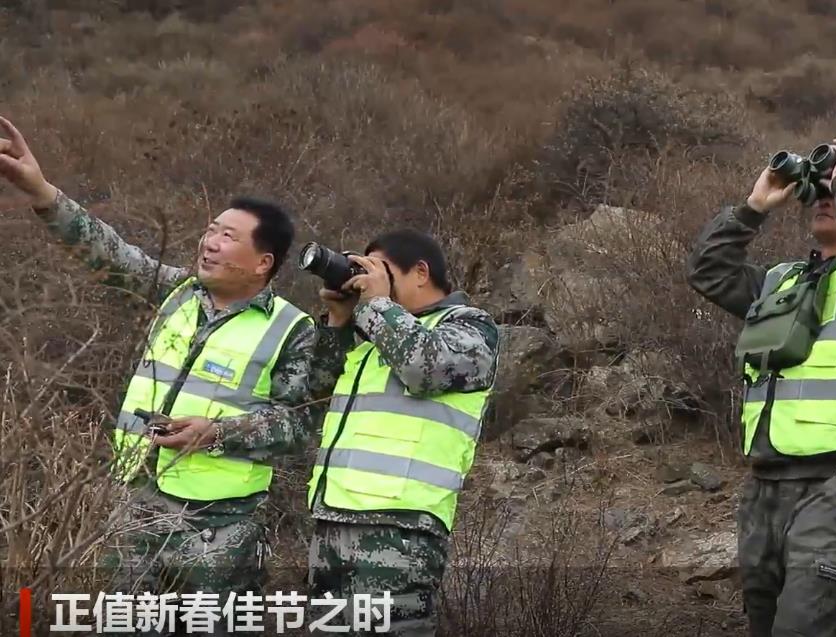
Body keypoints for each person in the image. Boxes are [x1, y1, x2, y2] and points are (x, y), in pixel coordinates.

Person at [0, 117, 316, 616]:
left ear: (263, 263)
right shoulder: (176, 292)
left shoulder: (293, 329)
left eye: (228, 237)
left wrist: (217, 432)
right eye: (210, 230)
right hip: (133, 506)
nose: (209, 242)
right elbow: (109, 253)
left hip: (219, 527)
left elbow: (300, 424)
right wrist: (42, 192)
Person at [686, 138, 836, 636]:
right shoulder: (778, 280)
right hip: (765, 482)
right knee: (763, 621)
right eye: (819, 194)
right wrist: (754, 208)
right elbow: (709, 272)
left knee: (802, 624)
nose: (826, 199)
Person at [305, 229, 499, 635]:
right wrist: (339, 322)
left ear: (421, 273)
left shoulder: (470, 329)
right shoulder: (376, 339)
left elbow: (424, 369)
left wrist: (376, 304)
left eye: (381, 271)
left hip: (401, 530)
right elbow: (314, 389)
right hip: (334, 521)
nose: (370, 281)